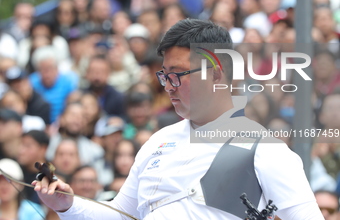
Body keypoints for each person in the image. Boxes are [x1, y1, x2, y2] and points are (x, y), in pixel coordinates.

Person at [33, 19, 323, 219]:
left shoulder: (262, 147)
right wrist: (67, 205)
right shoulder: (158, 141)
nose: (167, 85)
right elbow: (120, 214)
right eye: (164, 74)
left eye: (178, 74)